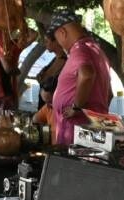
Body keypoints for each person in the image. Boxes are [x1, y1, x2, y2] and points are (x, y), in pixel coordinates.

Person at [47, 9, 112, 145]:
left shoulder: (80, 50)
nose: (59, 43)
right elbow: (109, 94)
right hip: (93, 127)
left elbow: (87, 74)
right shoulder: (97, 50)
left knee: (72, 166)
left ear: (62, 33)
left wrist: (76, 108)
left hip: (77, 130)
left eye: (56, 38)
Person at [32, 76, 58, 143]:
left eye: (50, 102)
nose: (47, 105)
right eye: (45, 102)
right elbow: (35, 120)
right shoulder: (47, 107)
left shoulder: (67, 109)